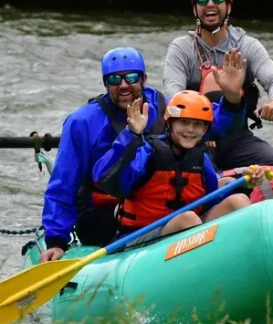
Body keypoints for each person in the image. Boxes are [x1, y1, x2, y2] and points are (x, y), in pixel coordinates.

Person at [39, 47, 168, 262]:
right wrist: (56, 241)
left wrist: (232, 102)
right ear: (105, 83)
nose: (124, 85)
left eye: (132, 77)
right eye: (115, 79)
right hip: (101, 214)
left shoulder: (162, 106)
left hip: (156, 204)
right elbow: (64, 182)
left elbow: (202, 125)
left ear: (144, 78)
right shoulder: (83, 122)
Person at [94, 89, 263, 243]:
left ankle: (247, 254)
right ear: (170, 123)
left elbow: (212, 199)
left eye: (197, 124)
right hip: (140, 238)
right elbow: (107, 178)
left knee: (238, 201)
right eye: (184, 122)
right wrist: (132, 135)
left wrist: (244, 184)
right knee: (187, 219)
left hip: (188, 236)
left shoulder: (201, 160)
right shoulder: (147, 151)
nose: (190, 130)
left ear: (205, 130)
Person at [163, 0, 273, 171]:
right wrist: (202, 131)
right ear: (195, 8)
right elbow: (173, 93)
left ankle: (250, 194)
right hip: (194, 135)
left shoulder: (248, 46)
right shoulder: (182, 48)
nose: (210, 4)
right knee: (201, 169)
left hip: (236, 136)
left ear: (228, 7)